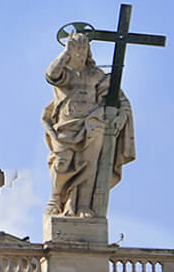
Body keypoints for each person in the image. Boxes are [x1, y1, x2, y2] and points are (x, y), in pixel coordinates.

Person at [43, 29, 134, 218]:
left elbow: (117, 98)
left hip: (93, 126)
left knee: (89, 166)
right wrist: (65, 54)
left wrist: (119, 117)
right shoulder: (65, 73)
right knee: (61, 163)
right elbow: (51, 75)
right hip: (66, 126)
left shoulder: (95, 74)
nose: (80, 52)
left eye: (84, 48)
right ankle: (56, 199)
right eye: (77, 48)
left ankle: (83, 205)